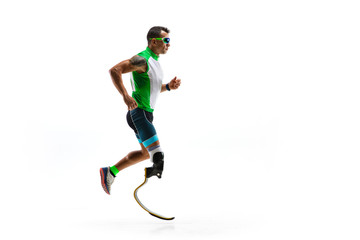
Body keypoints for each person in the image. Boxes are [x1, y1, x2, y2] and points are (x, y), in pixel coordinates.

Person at [100, 26, 181, 195]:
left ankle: (111, 171)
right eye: (166, 40)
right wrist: (125, 95)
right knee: (157, 157)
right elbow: (115, 70)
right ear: (154, 41)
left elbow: (151, 88)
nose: (169, 44)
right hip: (139, 114)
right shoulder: (142, 59)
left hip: (146, 114)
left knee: (146, 154)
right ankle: (148, 194)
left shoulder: (155, 62)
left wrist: (168, 87)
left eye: (169, 41)